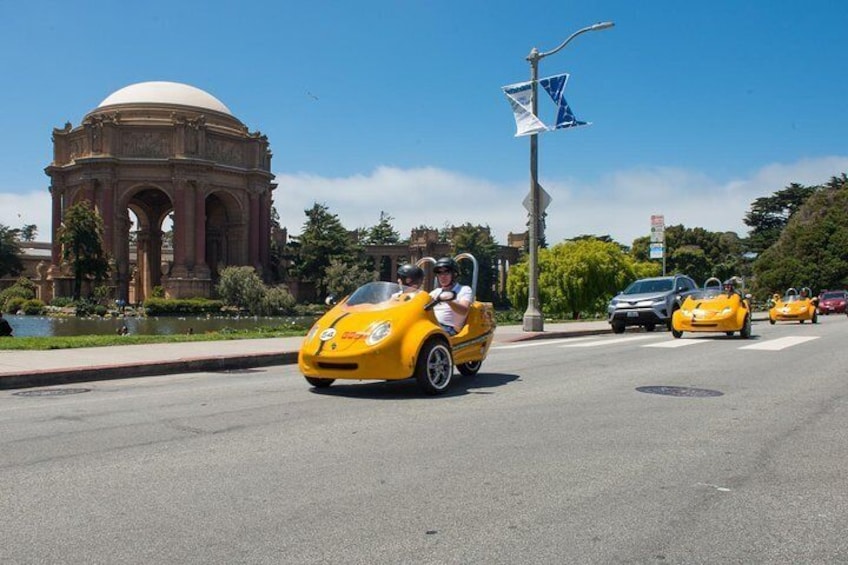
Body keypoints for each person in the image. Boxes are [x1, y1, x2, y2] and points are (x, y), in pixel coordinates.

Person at [429, 257, 472, 336]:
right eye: (439, 273)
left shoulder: (464, 289)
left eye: (446, 273)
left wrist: (448, 301)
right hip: (431, 326)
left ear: (454, 274)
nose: (442, 276)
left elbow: (464, 311)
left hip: (449, 328)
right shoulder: (435, 292)